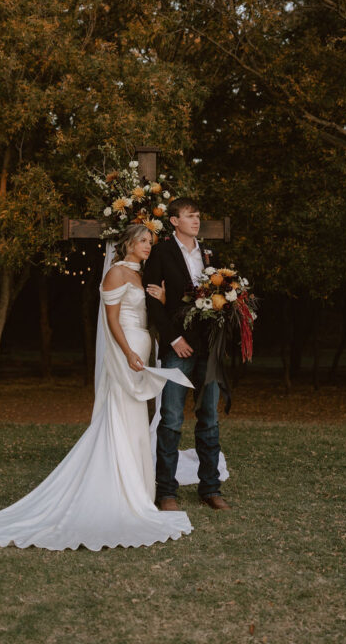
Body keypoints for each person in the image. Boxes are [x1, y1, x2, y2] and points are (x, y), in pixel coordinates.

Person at [0, 224, 194, 550]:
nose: (149, 245)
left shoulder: (140, 275)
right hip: (127, 353)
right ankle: (117, 490)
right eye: (144, 240)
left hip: (143, 348)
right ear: (129, 243)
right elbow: (112, 321)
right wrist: (128, 352)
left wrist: (159, 298)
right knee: (120, 416)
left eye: (151, 241)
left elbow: (150, 314)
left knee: (137, 421)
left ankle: (139, 491)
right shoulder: (116, 273)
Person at [145, 197, 231, 511]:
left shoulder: (210, 254)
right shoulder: (161, 252)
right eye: (189, 216)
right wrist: (174, 339)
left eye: (198, 216)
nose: (196, 221)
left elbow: (219, 296)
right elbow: (153, 301)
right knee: (171, 420)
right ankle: (166, 492)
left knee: (208, 420)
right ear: (174, 221)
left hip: (208, 348)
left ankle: (210, 488)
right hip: (177, 349)